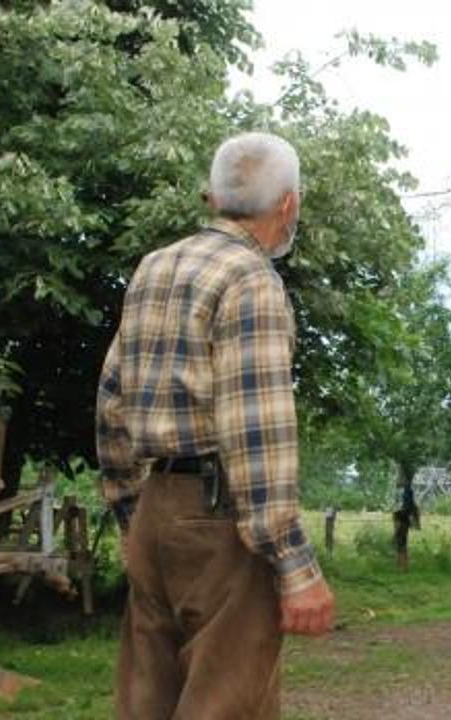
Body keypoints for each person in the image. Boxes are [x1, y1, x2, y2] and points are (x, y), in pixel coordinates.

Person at [96, 132, 335, 719]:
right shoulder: (250, 279)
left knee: (146, 700)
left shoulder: (154, 268)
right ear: (288, 205)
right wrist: (295, 566)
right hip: (220, 519)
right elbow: (257, 433)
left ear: (213, 198)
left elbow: (110, 400)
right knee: (226, 704)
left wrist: (132, 513)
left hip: (157, 508)